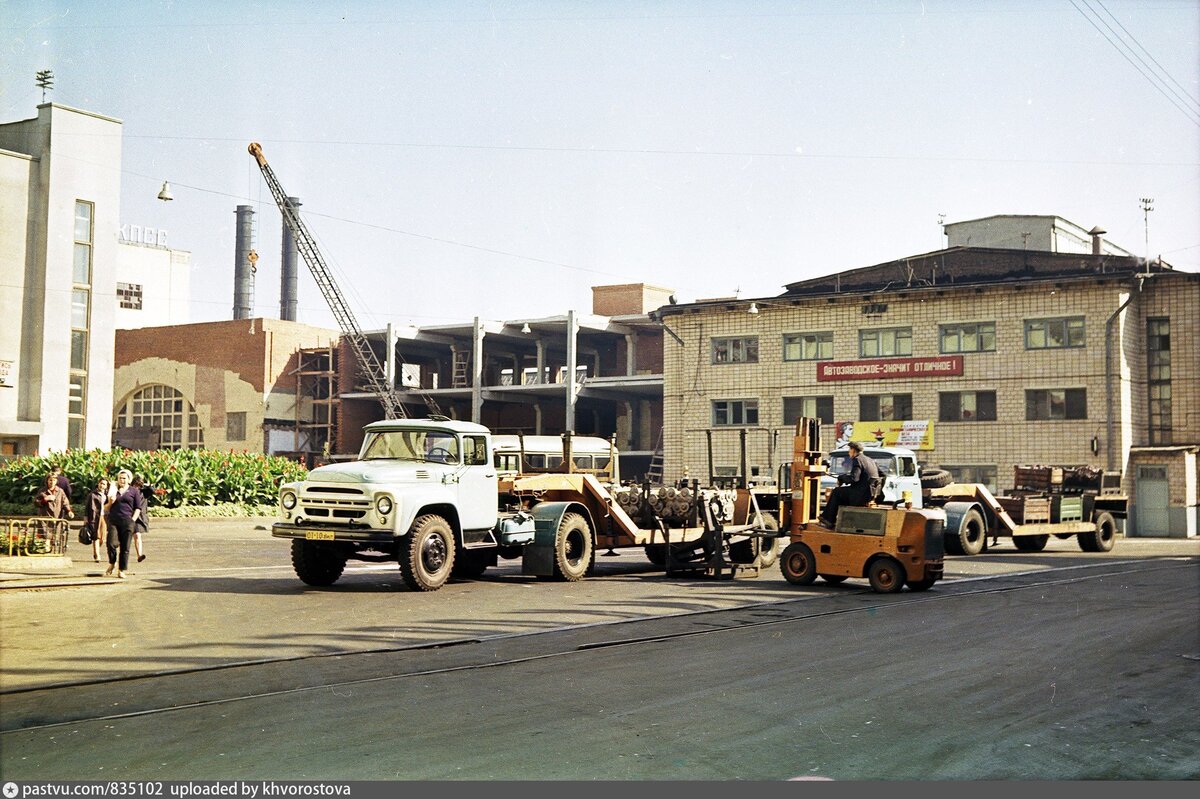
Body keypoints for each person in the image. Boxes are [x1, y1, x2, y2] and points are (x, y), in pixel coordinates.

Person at [818, 441, 880, 528]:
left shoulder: (857, 459)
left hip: (860, 494)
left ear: (853, 450)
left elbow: (854, 478)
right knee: (843, 493)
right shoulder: (870, 460)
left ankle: (828, 520)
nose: (849, 452)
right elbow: (881, 475)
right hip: (869, 494)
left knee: (837, 492)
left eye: (849, 450)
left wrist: (841, 478)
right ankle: (841, 519)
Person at [105, 469, 142, 579]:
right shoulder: (113, 490)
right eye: (120, 478)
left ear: (129, 480)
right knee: (111, 543)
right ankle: (112, 562)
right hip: (114, 520)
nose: (122, 480)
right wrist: (111, 502)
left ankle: (121, 570)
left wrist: (133, 520)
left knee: (125, 547)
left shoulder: (133, 491)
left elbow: (138, 508)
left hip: (127, 521)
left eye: (124, 478)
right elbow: (105, 507)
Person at [34, 472, 74, 546]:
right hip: (45, 518)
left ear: (56, 481)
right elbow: (36, 502)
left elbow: (65, 502)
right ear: (47, 481)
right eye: (50, 480)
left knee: (55, 539)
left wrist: (69, 511)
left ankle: (51, 553)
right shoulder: (42, 491)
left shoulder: (60, 491)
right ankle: (45, 552)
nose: (52, 482)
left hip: (56, 518)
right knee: (45, 538)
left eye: (54, 480)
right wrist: (44, 500)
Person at [83, 477, 111, 564]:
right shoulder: (92, 494)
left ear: (106, 486)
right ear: (98, 483)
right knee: (96, 536)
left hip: (104, 517)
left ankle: (97, 548)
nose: (102, 485)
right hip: (95, 517)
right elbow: (87, 507)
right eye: (101, 483)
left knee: (102, 537)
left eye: (104, 484)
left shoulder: (107, 495)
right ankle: (97, 555)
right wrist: (86, 518)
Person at [130, 474, 151, 563]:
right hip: (129, 516)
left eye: (139, 486)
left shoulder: (143, 493)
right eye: (135, 485)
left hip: (139, 517)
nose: (137, 487)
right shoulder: (129, 491)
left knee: (137, 535)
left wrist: (146, 485)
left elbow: (152, 490)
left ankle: (139, 555)